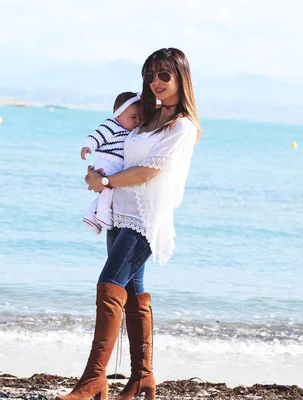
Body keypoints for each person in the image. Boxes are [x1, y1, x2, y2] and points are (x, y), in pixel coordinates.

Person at [57, 47, 201, 400]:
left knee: (109, 285)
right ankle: (142, 379)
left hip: (144, 220)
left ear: (181, 78)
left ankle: (94, 379)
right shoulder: (147, 119)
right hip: (120, 216)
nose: (156, 82)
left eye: (164, 75)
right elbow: (118, 152)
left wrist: (105, 183)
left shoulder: (181, 126)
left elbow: (148, 171)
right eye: (150, 76)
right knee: (133, 293)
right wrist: (98, 172)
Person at [81, 92, 141, 234]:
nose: (137, 121)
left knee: (112, 189)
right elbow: (96, 135)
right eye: (133, 117)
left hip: (115, 165)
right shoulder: (111, 124)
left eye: (140, 117)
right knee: (109, 185)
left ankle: (91, 215)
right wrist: (88, 147)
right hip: (107, 161)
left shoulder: (130, 130)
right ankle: (102, 213)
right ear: (118, 115)